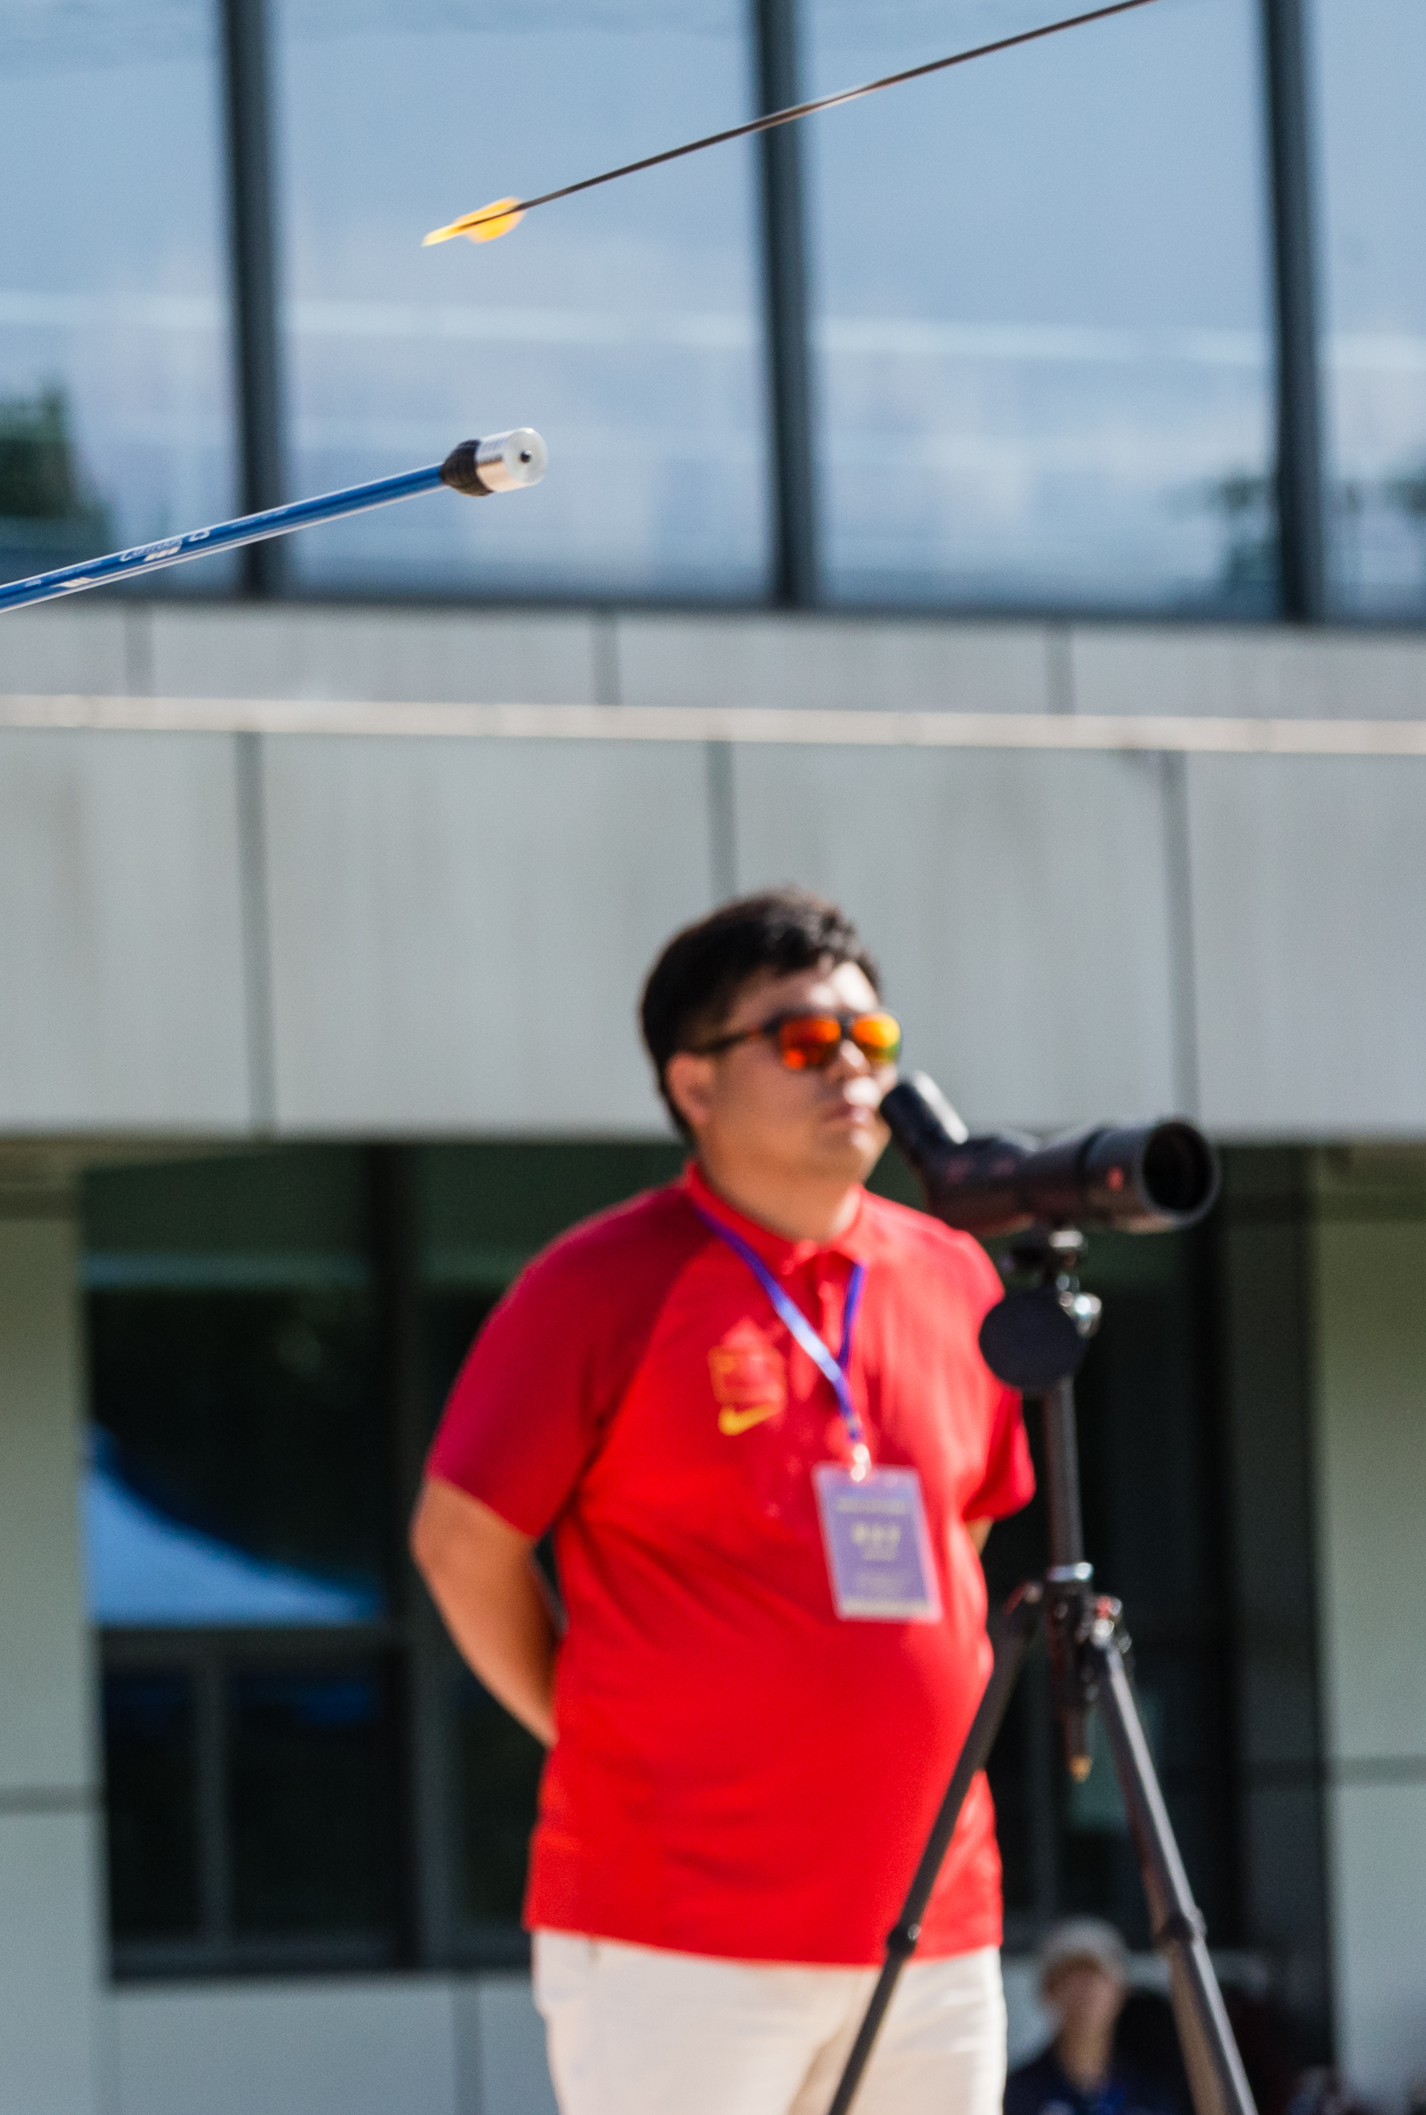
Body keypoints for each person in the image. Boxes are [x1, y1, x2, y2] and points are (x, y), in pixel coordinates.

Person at [410, 887, 1036, 2115]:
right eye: (805, 1042)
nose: (852, 1068)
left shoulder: (956, 1276)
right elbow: (460, 1542)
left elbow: (965, 1532)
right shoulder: (597, 1286)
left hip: (934, 1921)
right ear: (695, 1085)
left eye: (873, 1039)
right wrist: (590, 1722)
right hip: (675, 1931)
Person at [1004, 1920, 1184, 2115]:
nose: (1087, 1988)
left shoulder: (1149, 2096)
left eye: (1098, 1974)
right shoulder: (1015, 2094)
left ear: (1121, 1992)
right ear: (1048, 1990)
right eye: (1071, 1974)